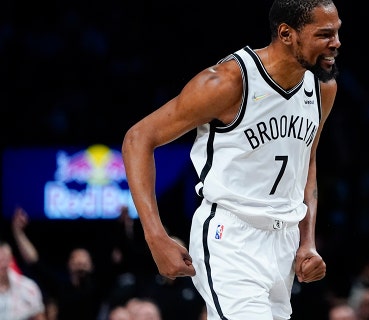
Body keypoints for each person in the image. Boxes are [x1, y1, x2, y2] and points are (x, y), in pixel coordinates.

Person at [121, 0, 341, 318]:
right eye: (324, 34)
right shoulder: (228, 82)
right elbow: (138, 139)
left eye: (336, 32)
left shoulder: (322, 88)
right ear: (287, 34)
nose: (336, 43)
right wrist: (156, 236)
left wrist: (307, 241)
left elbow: (306, 162)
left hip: (284, 243)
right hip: (231, 238)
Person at [0, 240, 46, 320]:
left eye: (5, 259)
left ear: (11, 260)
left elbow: (39, 316)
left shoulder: (28, 287)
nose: (3, 264)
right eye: (0, 260)